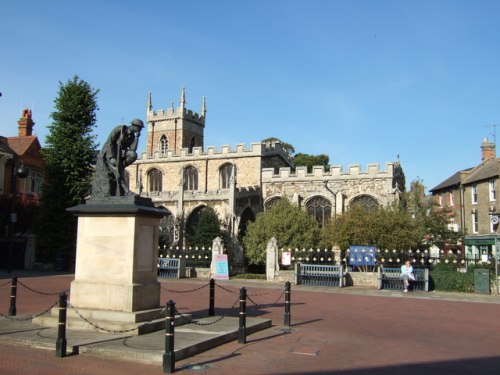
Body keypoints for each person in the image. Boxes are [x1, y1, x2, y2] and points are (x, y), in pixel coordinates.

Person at [91, 118, 144, 198]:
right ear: (134, 126)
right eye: (139, 128)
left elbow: (132, 150)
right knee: (118, 172)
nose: (140, 130)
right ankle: (126, 191)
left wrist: (137, 138)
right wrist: (112, 157)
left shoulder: (132, 136)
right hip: (109, 152)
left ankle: (122, 165)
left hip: (120, 153)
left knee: (133, 155)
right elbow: (110, 142)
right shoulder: (120, 129)